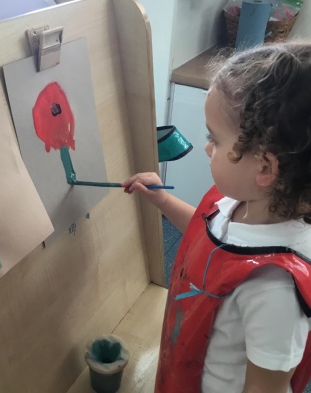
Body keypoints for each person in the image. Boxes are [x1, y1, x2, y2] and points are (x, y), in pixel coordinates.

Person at [122, 42, 311, 393]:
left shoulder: (275, 287)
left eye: (215, 138)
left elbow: (266, 387)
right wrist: (163, 200)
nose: (207, 147)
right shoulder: (239, 202)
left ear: (265, 167)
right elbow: (207, 234)